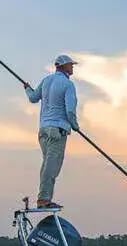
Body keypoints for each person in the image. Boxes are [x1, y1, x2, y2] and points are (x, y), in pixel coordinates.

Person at [25, 55, 80, 209]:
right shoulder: (68, 85)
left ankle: (44, 198)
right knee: (52, 167)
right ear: (63, 66)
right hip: (57, 131)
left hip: (43, 131)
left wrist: (27, 89)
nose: (72, 67)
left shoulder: (46, 81)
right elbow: (70, 110)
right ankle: (44, 199)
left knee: (47, 165)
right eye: (70, 65)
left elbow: (33, 98)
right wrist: (75, 126)